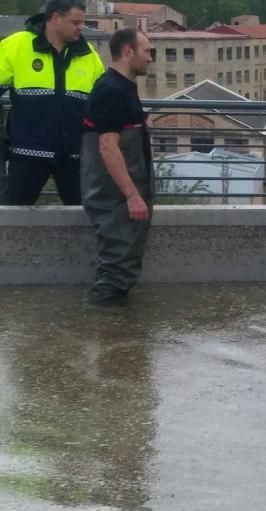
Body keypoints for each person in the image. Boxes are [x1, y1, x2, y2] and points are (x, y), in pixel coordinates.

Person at [0, 0, 104, 205]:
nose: (80, 28)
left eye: (82, 22)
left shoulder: (88, 53)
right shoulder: (18, 45)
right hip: (27, 153)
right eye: (75, 22)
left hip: (74, 155)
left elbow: (101, 101)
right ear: (55, 18)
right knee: (13, 220)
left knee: (83, 218)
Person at [79, 28, 154, 306]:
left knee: (122, 267)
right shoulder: (110, 90)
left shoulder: (122, 87)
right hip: (114, 198)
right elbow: (107, 147)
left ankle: (114, 335)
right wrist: (132, 194)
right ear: (127, 51)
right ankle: (104, 331)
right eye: (147, 51)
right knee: (115, 270)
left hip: (122, 196)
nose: (150, 58)